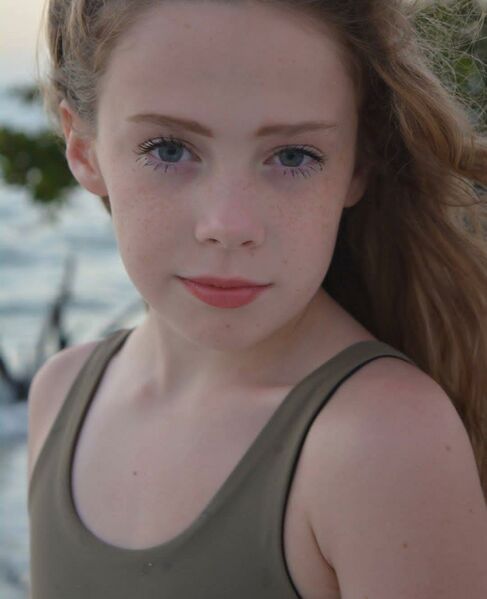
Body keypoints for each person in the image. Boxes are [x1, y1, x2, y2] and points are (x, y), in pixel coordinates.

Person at [27, 0, 487, 597]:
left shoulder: (382, 440)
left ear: (358, 165)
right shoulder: (60, 394)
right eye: (168, 149)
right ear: (83, 148)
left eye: (293, 156)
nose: (228, 224)